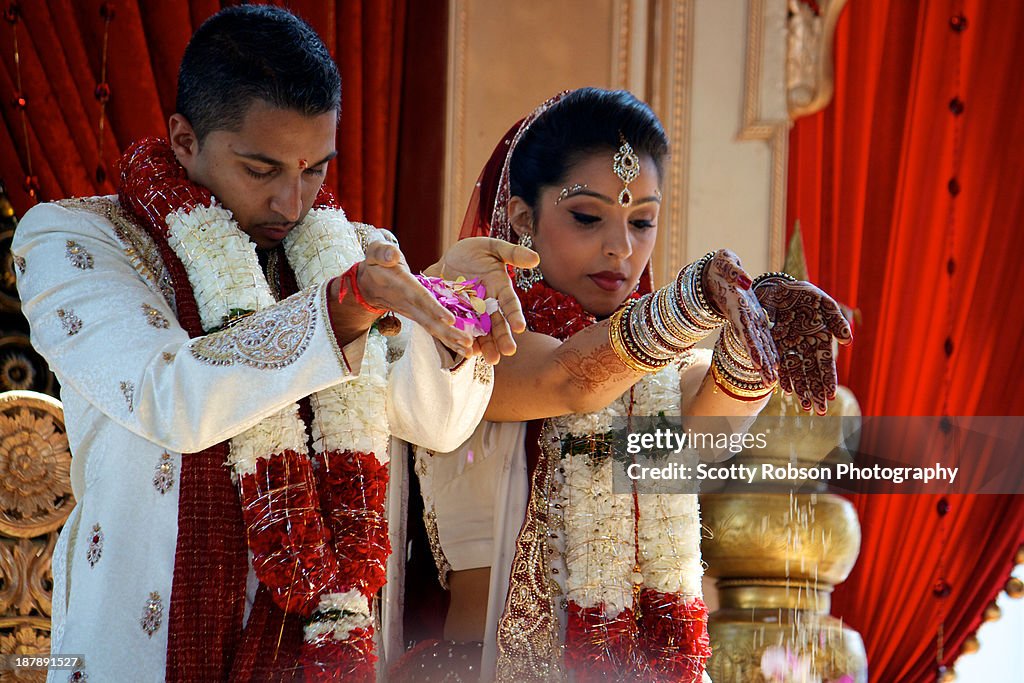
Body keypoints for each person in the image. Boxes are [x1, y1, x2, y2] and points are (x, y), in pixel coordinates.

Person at [12, 6, 537, 682]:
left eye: (315, 168)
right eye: (261, 170)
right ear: (182, 137)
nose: (292, 202)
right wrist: (341, 310)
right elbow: (168, 397)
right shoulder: (75, 241)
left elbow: (437, 418)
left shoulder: (351, 252)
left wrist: (457, 308)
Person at [393, 88, 852, 682]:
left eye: (642, 222)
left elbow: (701, 442)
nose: (621, 248)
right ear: (524, 217)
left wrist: (753, 338)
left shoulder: (649, 370)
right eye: (588, 217)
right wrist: (691, 303)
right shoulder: (463, 322)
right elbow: (568, 379)